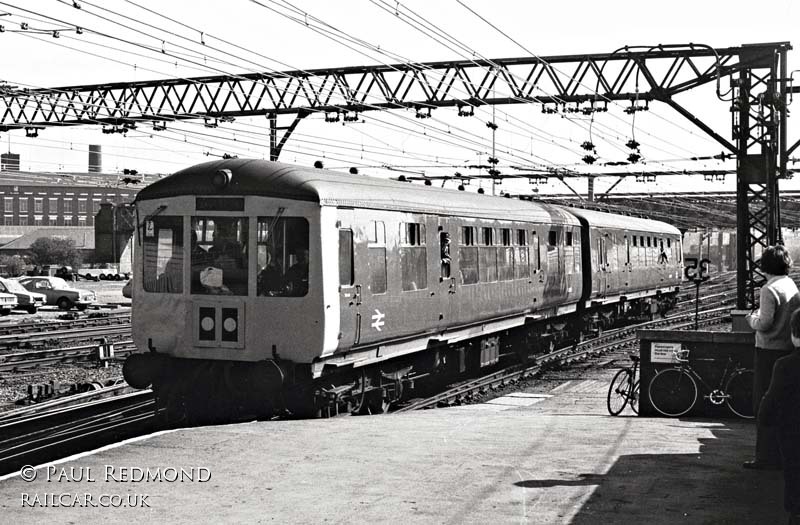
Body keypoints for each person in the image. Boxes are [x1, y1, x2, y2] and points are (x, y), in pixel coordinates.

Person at [744, 245, 800, 470]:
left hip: (768, 352)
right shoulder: (790, 284)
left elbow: (765, 323)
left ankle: (764, 457)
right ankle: (779, 453)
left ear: (765, 265)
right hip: (788, 348)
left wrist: (751, 319)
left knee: (764, 403)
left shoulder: (769, 289)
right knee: (784, 404)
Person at [759, 308, 800, 523]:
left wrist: (765, 420)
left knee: (793, 473)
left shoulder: (784, 365)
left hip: (792, 432)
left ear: (794, 335)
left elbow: (770, 400)